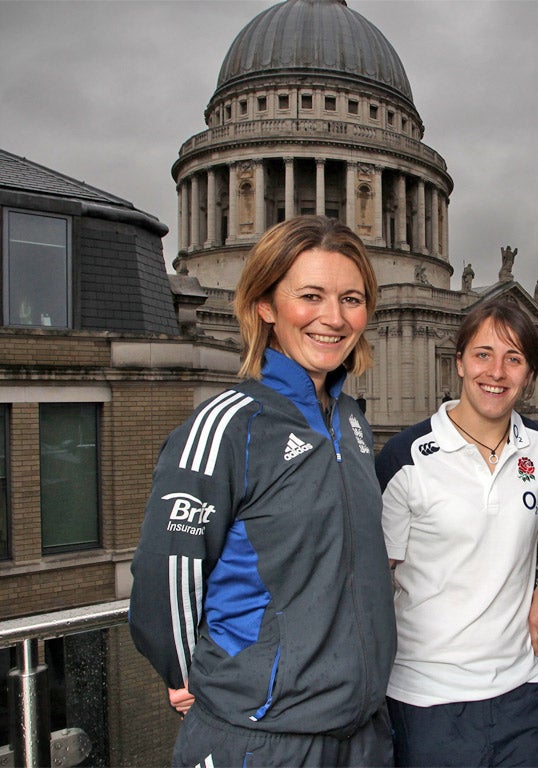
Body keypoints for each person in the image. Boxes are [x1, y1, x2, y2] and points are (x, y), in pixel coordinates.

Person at [129, 216, 396, 767]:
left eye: (351, 298)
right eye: (311, 296)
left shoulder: (351, 421)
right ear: (265, 306)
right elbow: (167, 571)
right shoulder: (228, 425)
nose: (334, 318)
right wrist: (185, 674)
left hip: (362, 732)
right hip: (263, 738)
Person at [376, 300, 538, 767]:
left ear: (530, 374)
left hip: (524, 693)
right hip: (426, 700)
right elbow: (374, 581)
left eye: (513, 358)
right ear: (458, 361)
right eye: (482, 354)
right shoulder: (404, 458)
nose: (496, 372)